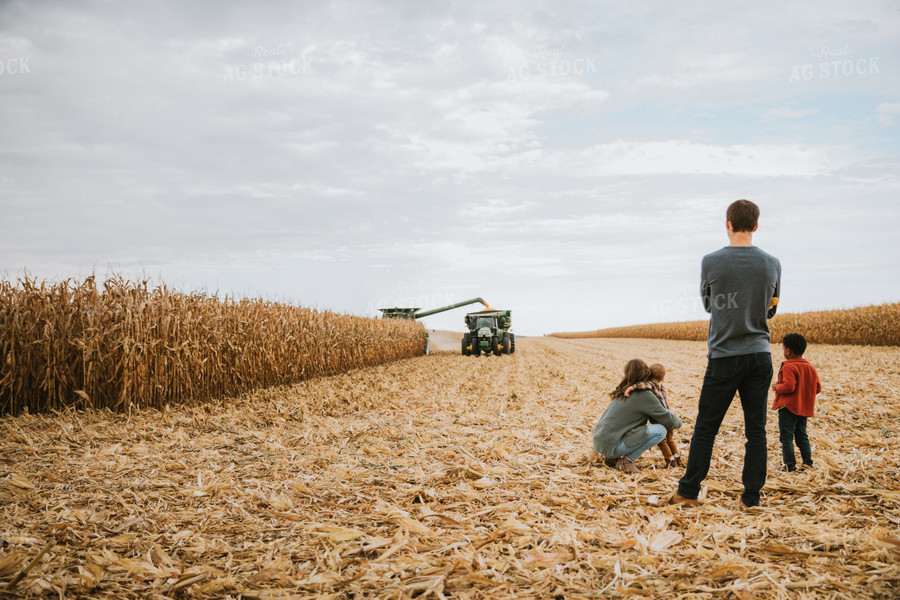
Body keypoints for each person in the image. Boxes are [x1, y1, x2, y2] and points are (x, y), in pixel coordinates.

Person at [670, 199, 781, 509]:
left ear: (727, 223)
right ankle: (751, 499)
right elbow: (772, 309)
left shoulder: (711, 261)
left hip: (723, 356)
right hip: (760, 355)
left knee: (706, 427)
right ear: (756, 225)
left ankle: (688, 492)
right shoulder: (772, 263)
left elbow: (709, 305)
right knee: (756, 431)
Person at [593, 358, 683, 473]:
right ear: (646, 373)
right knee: (660, 431)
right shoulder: (644, 394)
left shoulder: (623, 390)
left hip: (602, 443)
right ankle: (627, 461)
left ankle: (611, 459)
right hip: (615, 446)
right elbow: (667, 419)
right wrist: (681, 423)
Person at [771, 332, 821, 472]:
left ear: (788, 351)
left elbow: (789, 387)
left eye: (783, 349)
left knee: (786, 438)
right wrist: (804, 395)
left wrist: (776, 387)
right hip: (803, 408)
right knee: (801, 436)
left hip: (788, 408)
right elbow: (817, 388)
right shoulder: (810, 367)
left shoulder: (788, 366)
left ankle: (790, 466)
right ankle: (807, 463)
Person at [624, 363, 683, 467]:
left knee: (662, 442)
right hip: (668, 416)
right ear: (663, 378)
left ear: (649, 375)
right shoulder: (661, 385)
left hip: (659, 418)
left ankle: (670, 460)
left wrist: (631, 387)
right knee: (670, 439)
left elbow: (643, 385)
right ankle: (678, 458)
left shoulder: (651, 384)